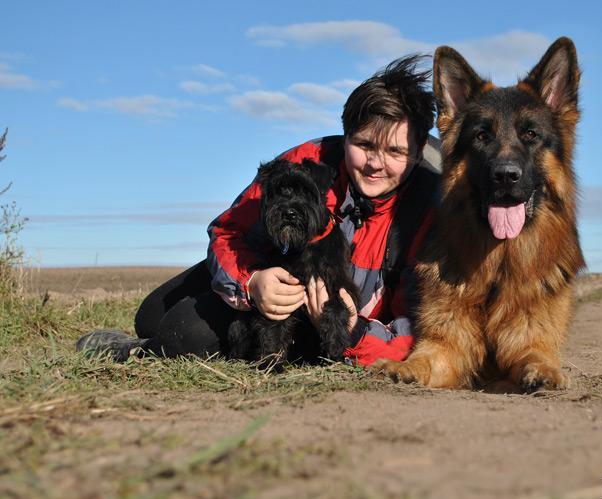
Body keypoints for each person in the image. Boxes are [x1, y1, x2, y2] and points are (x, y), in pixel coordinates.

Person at [76, 55, 441, 367]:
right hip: (264, 277)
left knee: (183, 331)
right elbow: (228, 231)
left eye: (395, 151)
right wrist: (252, 282)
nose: (375, 163)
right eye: (363, 145)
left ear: (419, 147)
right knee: (152, 313)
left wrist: (355, 330)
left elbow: (425, 331)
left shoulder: (432, 209)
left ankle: (139, 353)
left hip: (328, 323)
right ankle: (153, 337)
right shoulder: (304, 163)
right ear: (345, 135)